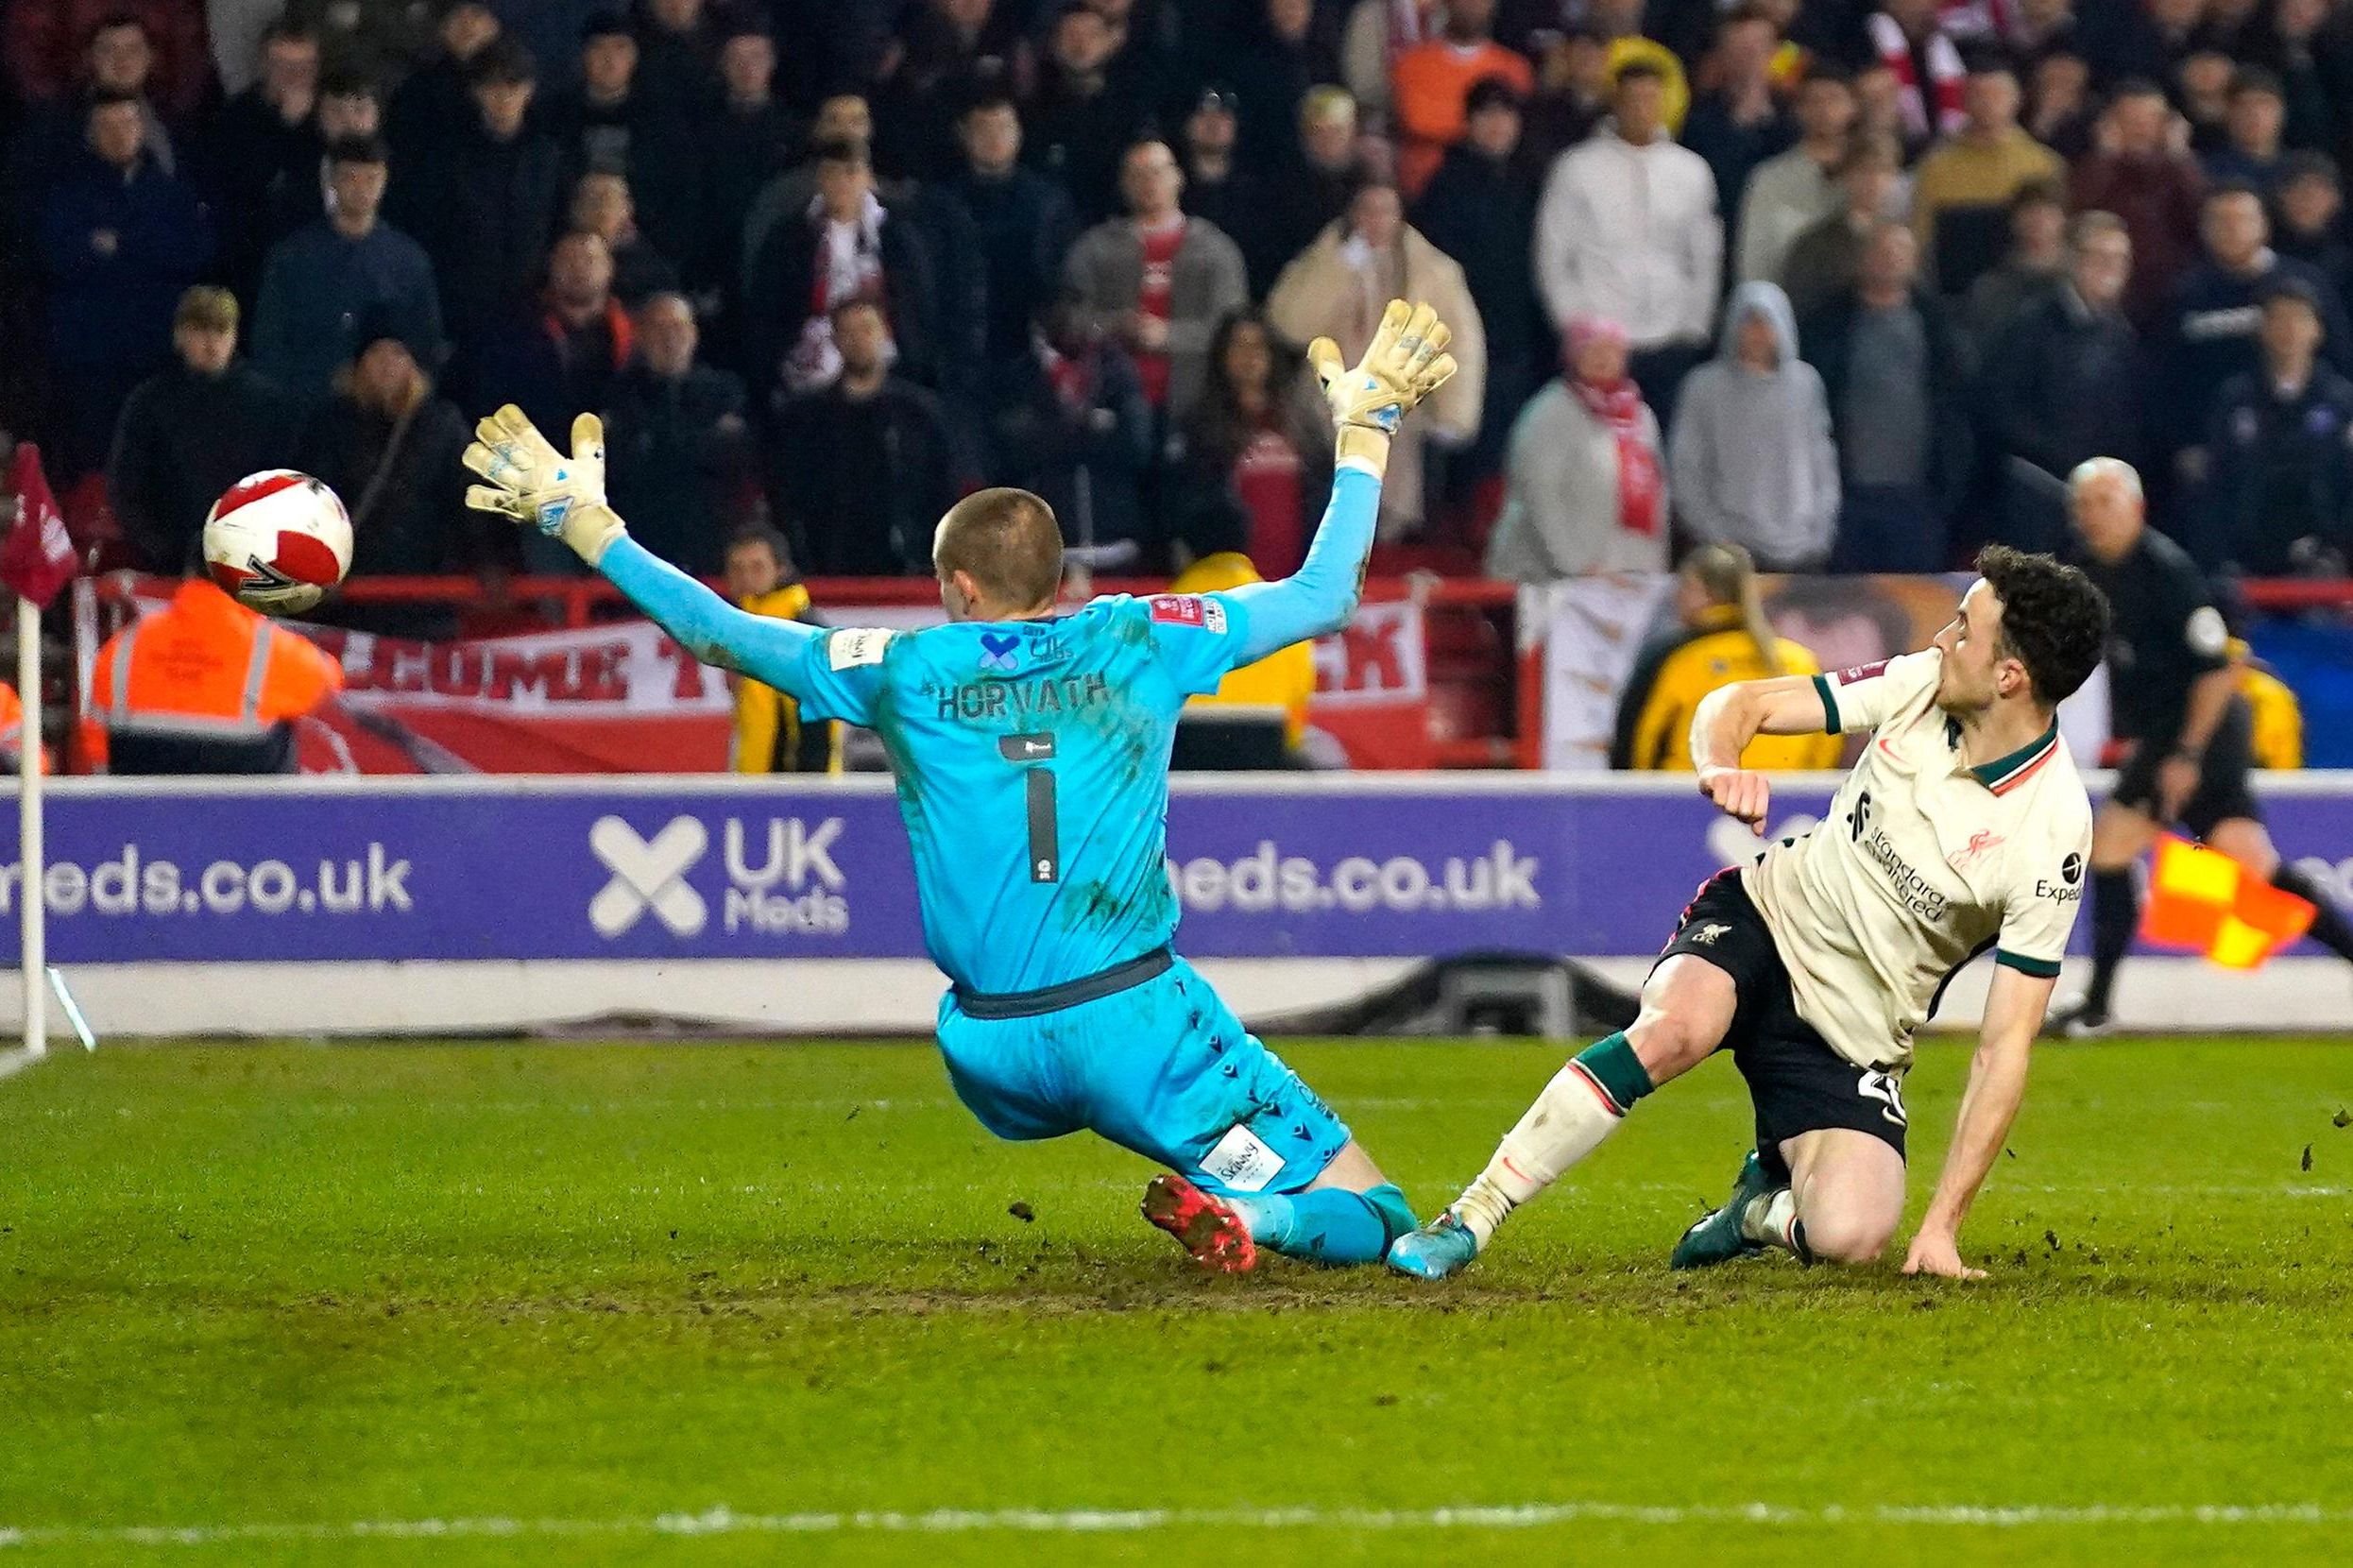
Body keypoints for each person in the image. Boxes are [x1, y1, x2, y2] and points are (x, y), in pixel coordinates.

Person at [460, 299, 1458, 1272]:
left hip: (990, 1047)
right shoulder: (1135, 635)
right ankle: (1252, 1208)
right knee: (1374, 1211)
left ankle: (1237, 1185)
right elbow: (1327, 595)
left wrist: (582, 522)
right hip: (1133, 1031)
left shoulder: (904, 669)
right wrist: (1365, 430)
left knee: (1158, 1101)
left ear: (961, 589)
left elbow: (718, 630)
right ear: (1056, 579)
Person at [1390, 544, 2110, 1282]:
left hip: (1854, 1030)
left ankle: (1753, 1210)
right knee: (1672, 1030)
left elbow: (2004, 1048)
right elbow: (1741, 704)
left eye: (1962, 631)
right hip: (1765, 920)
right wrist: (1719, 763)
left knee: (1852, 1235)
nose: (1939, 640)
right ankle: (1470, 1217)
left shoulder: (2050, 832)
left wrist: (1941, 1228)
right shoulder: (1917, 683)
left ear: (2009, 676)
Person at [2050, 459, 2353, 1036]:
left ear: (2135, 508)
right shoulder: (2088, 573)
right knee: (2251, 866)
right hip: (2166, 732)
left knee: (2115, 848)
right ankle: (2097, 1007)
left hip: (2204, 732)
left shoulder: (2167, 573)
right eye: (2082, 505)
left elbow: (2219, 671)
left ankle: (2096, 1009)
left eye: (2102, 503)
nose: (2089, 516)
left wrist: (2186, 757)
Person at [1267, 179, 1486, 535]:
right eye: (1367, 211)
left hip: (1403, 413)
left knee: (1395, 519)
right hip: (1328, 411)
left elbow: (1462, 343)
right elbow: (1290, 324)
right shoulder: (1326, 260)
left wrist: (1455, 414)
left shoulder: (1435, 273)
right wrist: (1338, 268)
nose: (1376, 220)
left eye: (1385, 211)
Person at [38, 92, 215, 477]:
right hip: (91, 355)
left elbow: (193, 253)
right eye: (107, 126)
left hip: (156, 349)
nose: (118, 135)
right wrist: (142, 249)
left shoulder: (171, 193)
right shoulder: (68, 194)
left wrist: (122, 245)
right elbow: (58, 256)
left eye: (127, 124)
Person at [1536, 61, 1721, 413]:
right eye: (1633, 99)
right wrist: (1574, 326)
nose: (1641, 108)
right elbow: (1554, 255)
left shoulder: (1691, 171)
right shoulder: (1577, 168)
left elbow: (1704, 255)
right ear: (1616, 102)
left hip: (1669, 338)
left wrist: (1693, 326)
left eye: (1651, 98)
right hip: (1598, 342)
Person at [1801, 221, 1975, 571]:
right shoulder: (1827, 325)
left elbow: (1959, 412)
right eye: (1881, 251)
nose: (1890, 259)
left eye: (1900, 251)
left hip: (1919, 497)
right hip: (1845, 497)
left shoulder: (1941, 328)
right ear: (1860, 259)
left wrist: (1949, 488)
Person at [766, 298, 965, 577]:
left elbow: (942, 488)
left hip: (909, 565)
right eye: (848, 331)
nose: (858, 339)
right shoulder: (806, 417)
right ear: (835, 339)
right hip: (830, 564)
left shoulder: (919, 413)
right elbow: (789, 493)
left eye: (867, 329)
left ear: (885, 333)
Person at [1984, 211, 2145, 554]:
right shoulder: (2030, 324)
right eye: (2099, 257)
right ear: (2072, 259)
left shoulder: (2121, 332)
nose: (2110, 268)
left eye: (2119, 259)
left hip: (2098, 499)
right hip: (2038, 494)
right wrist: (2060, 458)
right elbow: (1999, 406)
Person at [1410, 76, 1544, 486]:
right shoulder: (1445, 184)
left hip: (1521, 337)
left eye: (1506, 115)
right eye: (1487, 115)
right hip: (1464, 337)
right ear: (1469, 122)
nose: (1498, 125)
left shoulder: (1534, 178)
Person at [86, 565, 347, 775]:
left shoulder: (123, 646)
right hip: (248, 823)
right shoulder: (269, 649)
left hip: (143, 823)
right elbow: (329, 680)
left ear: (189, 573)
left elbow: (95, 745)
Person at [2159, 182, 2353, 460]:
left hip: (2310, 442)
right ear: (2204, 229)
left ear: (2264, 224)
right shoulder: (2186, 295)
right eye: (2221, 221)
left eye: (2242, 220)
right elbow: (2168, 378)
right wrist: (2185, 444)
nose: (2233, 230)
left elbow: (2340, 356)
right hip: (2217, 450)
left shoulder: (2306, 283)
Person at [296, 324, 473, 624]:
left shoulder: (441, 425)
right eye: (376, 354)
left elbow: (466, 496)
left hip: (426, 588)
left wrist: (483, 561)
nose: (387, 364)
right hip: (351, 596)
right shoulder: (332, 425)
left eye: (398, 354)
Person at [1062, 140, 1249, 425]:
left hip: (1197, 403)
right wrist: (1116, 326)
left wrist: (1168, 336)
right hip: (1112, 401)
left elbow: (1232, 330)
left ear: (1178, 177)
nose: (1148, 182)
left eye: (1157, 172)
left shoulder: (1215, 249)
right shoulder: (1094, 248)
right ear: (1123, 183)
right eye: (1137, 174)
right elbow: (1068, 322)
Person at [1610, 542, 1838, 772]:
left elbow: (1639, 741)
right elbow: (1827, 739)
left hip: (1690, 796)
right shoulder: (1800, 660)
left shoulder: (1678, 657)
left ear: (1701, 590)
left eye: (1684, 588)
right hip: (1785, 798)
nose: (1678, 599)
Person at [107, 287, 290, 574]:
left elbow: (283, 487)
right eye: (201, 330)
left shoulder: (268, 406)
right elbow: (126, 488)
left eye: (222, 331)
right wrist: (164, 551)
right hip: (168, 571)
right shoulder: (149, 403)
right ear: (180, 335)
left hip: (248, 567)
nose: (212, 342)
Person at [394, 37, 565, 343]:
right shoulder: (448, 156)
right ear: (476, 92)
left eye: (513, 86)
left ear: (529, 90)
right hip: (461, 307)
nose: (503, 97)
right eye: (492, 87)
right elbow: (429, 225)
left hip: (532, 306)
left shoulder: (547, 157)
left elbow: (557, 224)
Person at [251, 135, 443, 407]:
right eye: (350, 178)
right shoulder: (293, 256)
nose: (361, 189)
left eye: (371, 178)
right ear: (331, 182)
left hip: (385, 412)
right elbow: (269, 344)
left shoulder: (408, 261)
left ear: (385, 181)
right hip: (306, 409)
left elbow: (427, 346)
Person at [744, 137, 938, 401]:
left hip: (886, 360)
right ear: (819, 180)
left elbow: (919, 303)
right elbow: (766, 306)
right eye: (831, 174)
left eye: (851, 173)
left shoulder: (896, 234)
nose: (842, 183)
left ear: (867, 178)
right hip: (807, 365)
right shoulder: (789, 237)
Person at [1668, 281, 1839, 572]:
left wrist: (1820, 531)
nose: (1759, 333)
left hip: (1801, 548)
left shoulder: (1805, 384)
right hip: (1728, 547)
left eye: (1767, 323)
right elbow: (1686, 467)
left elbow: (1822, 461)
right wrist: (1714, 535)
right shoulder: (1703, 387)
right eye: (1750, 322)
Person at [1484, 315, 1668, 582]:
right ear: (1573, 355)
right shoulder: (1548, 412)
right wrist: (1575, 565)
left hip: (1623, 573)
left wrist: (1651, 564)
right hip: (1547, 575)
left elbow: (1655, 493)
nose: (1603, 358)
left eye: (1612, 350)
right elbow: (1539, 495)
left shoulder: (1640, 415)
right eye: (1592, 349)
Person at [2195, 279, 2353, 576]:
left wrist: (2338, 550)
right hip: (2247, 560)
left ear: (2317, 329)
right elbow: (2217, 483)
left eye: (2298, 318)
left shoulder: (2342, 402)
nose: (2289, 330)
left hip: (2325, 565)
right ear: (2263, 329)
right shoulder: (2235, 400)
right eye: (2279, 318)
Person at [989, 299, 1154, 562]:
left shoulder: (1117, 373)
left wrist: (1062, 436)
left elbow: (1137, 447)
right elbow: (1015, 450)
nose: (1071, 322)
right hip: (1044, 554)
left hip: (1117, 547)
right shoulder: (1024, 376)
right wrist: (1089, 430)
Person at [1177, 311, 1334, 580]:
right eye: (1239, 345)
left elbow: (1323, 494)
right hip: (1230, 583)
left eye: (1258, 345)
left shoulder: (1301, 425)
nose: (1250, 355)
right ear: (1222, 355)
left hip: (1299, 579)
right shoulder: (1200, 427)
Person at [604, 293, 751, 576]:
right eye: (658, 328)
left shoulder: (724, 391)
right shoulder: (619, 393)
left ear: (694, 334)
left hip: (709, 539)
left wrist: (653, 442)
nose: (669, 338)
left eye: (678, 327)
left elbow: (730, 458)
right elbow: (620, 465)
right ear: (640, 335)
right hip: (639, 541)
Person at [945, 93, 1081, 377]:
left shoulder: (1049, 204)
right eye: (983, 129)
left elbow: (1067, 280)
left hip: (1030, 354)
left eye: (1003, 128)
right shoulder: (941, 205)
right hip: (958, 353)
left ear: (1019, 133)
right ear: (963, 135)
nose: (994, 138)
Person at [1907, 60, 2063, 298]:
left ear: (2017, 99)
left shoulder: (2043, 165)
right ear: (1965, 101)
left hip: (2030, 296)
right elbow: (1920, 239)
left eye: (1997, 94)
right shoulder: (1936, 167)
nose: (1989, 103)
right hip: (1955, 295)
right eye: (1979, 95)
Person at [2067, 78, 2204, 328]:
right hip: (2109, 289)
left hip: (2172, 288)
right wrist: (2104, 156)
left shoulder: (2181, 168)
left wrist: (2181, 156)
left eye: (2150, 120)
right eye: (2130, 119)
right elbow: (2077, 212)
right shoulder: (2094, 167)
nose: (2141, 128)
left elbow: (2200, 219)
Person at [1388, 0, 1533, 198]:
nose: (1471, 5)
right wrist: (1485, 127)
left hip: (1499, 189)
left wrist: (1452, 118)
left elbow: (1519, 131)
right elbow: (1418, 120)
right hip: (1424, 189)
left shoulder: (1514, 67)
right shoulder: (1412, 64)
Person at [723, 525, 836, 775]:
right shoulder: (745, 628)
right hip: (756, 782)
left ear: (781, 569)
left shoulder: (802, 632)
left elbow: (817, 727)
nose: (746, 577)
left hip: (793, 791)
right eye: (737, 568)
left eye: (757, 567)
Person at [1679, 7, 1795, 249]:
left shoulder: (1792, 117)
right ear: (1723, 55)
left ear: (1773, 51)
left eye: (1757, 48)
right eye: (1740, 49)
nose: (1750, 58)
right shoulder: (1699, 119)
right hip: (1717, 237)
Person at [1736, 66, 1855, 289]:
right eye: (1814, 101)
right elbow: (1754, 258)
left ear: (1853, 106)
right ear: (1799, 110)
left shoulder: (1868, 175)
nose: (1825, 110)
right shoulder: (1769, 178)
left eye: (1833, 99)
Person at [1777, 135, 1904, 319]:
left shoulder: (1904, 243)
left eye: (1884, 170)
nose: (1874, 181)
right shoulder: (1814, 245)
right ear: (1847, 175)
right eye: (1865, 170)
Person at [1963, 179, 2068, 348]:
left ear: (2063, 219)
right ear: (2014, 220)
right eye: (2030, 210)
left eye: (2047, 211)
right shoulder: (1990, 287)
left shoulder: (2081, 279)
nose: (2038, 220)